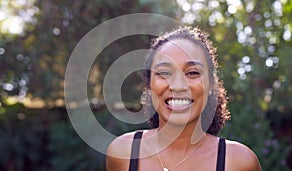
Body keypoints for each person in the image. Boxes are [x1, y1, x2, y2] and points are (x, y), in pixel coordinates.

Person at [106, 26, 262, 171]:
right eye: (164, 73)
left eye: (192, 73)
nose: (178, 86)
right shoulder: (122, 154)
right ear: (149, 86)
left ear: (210, 86)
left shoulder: (239, 162)